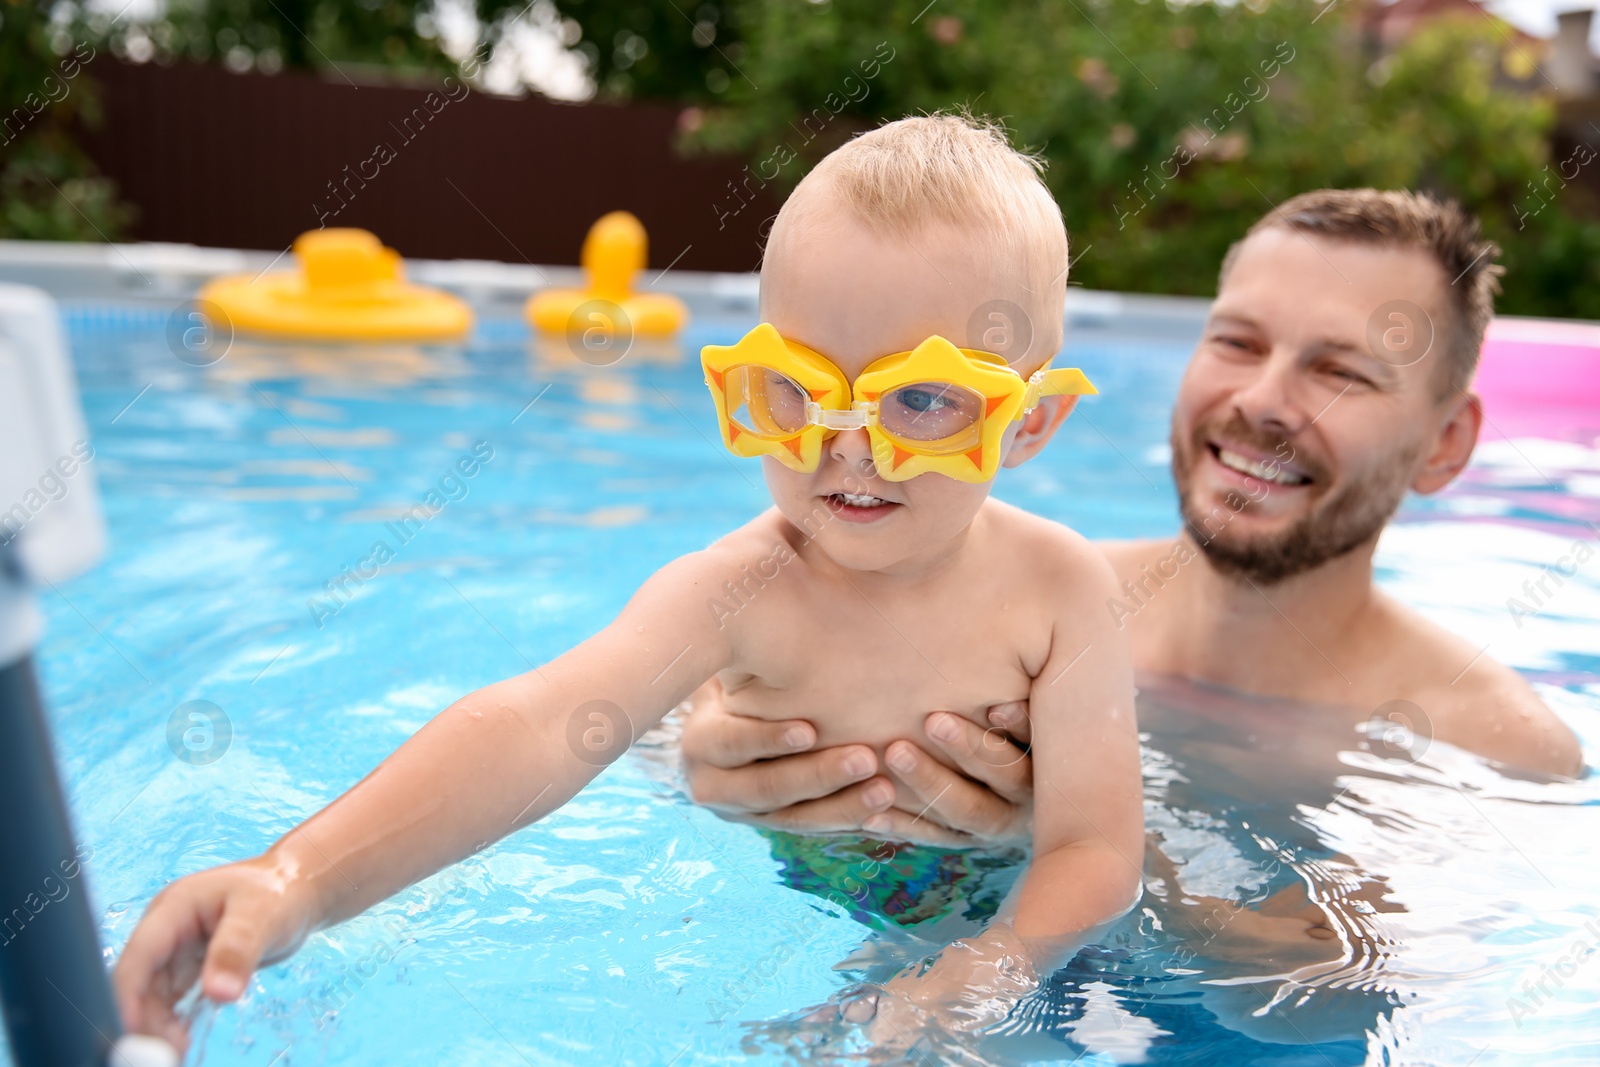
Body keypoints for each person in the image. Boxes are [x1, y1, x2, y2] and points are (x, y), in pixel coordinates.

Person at [112, 114, 1146, 1050]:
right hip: (798, 897)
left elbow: (1095, 850)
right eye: (795, 390)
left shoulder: (1060, 592)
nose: (849, 449)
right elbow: (538, 721)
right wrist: (295, 879)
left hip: (1011, 922)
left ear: (1031, 423)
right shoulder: (743, 586)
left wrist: (973, 974)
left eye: (920, 399)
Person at [680, 187, 1584, 849]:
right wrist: (713, 753)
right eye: (1237, 342)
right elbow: (700, 706)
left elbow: (1351, 1005)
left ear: (1447, 444)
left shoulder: (1496, 747)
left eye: (1339, 370)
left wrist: (1073, 835)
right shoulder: (1007, 596)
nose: (1263, 400)